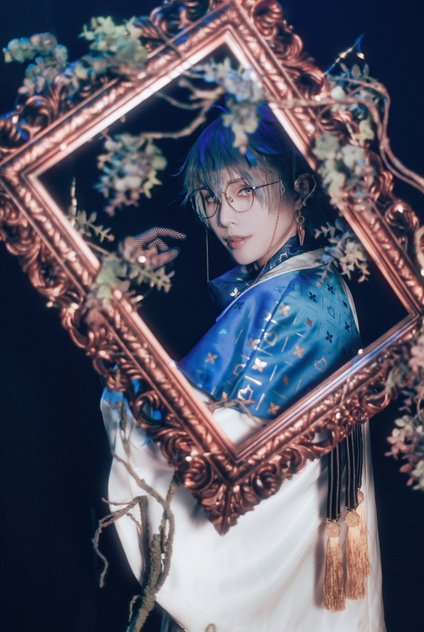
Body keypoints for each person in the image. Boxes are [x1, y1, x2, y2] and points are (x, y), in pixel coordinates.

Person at [100, 107, 385, 631]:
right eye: (209, 198)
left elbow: (188, 444)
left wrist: (110, 302)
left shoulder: (285, 299)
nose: (224, 217)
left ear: (300, 189)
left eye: (244, 191)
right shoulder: (312, 280)